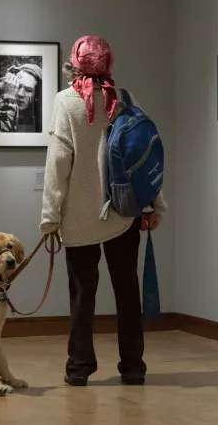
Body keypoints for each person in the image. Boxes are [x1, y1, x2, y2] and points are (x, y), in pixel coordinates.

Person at [39, 35, 168, 387]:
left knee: (82, 295)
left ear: (76, 64)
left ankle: (79, 368)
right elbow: (146, 156)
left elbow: (58, 162)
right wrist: (157, 204)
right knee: (127, 292)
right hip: (123, 213)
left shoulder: (66, 102)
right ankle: (133, 367)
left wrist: (50, 217)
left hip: (79, 218)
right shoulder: (125, 99)